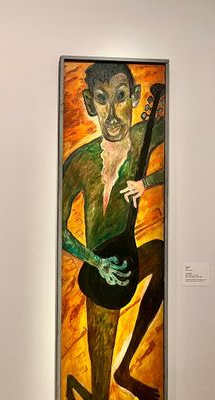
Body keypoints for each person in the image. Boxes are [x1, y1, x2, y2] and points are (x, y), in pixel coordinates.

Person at [63, 63, 164, 400]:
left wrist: (147, 182)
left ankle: (126, 367)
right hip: (101, 280)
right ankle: (85, 383)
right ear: (89, 104)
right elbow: (58, 231)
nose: (112, 114)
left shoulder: (144, 135)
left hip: (130, 258)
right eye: (102, 100)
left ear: (134, 97)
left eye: (120, 97)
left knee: (161, 253)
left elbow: (193, 156)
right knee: (101, 396)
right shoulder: (79, 162)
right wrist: (97, 262)